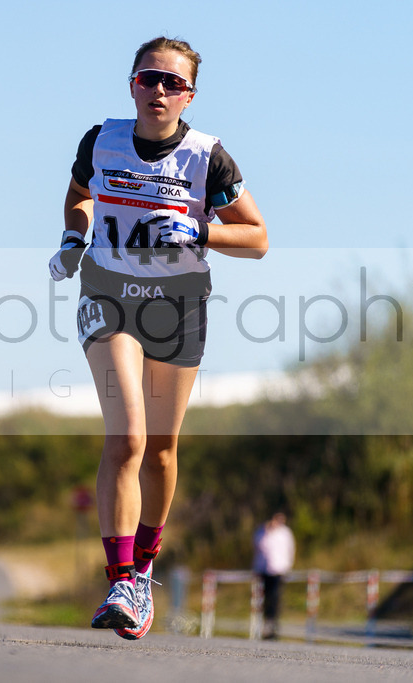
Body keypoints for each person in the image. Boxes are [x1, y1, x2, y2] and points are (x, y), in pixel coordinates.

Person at [49, 36, 268, 640]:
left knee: (163, 451)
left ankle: (144, 568)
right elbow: (79, 195)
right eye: (150, 79)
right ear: (132, 85)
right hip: (109, 295)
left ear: (189, 95)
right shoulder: (102, 140)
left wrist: (195, 232)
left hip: (178, 308)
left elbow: (257, 236)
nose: (160, 91)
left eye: (173, 84)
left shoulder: (207, 157)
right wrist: (74, 238)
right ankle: (120, 580)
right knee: (127, 438)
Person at [252, 512, 295, 639]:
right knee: (263, 598)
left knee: (275, 597)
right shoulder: (261, 532)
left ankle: (273, 625)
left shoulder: (285, 533)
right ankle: (265, 625)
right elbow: (257, 548)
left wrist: (288, 566)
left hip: (279, 569)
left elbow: (290, 550)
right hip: (263, 570)